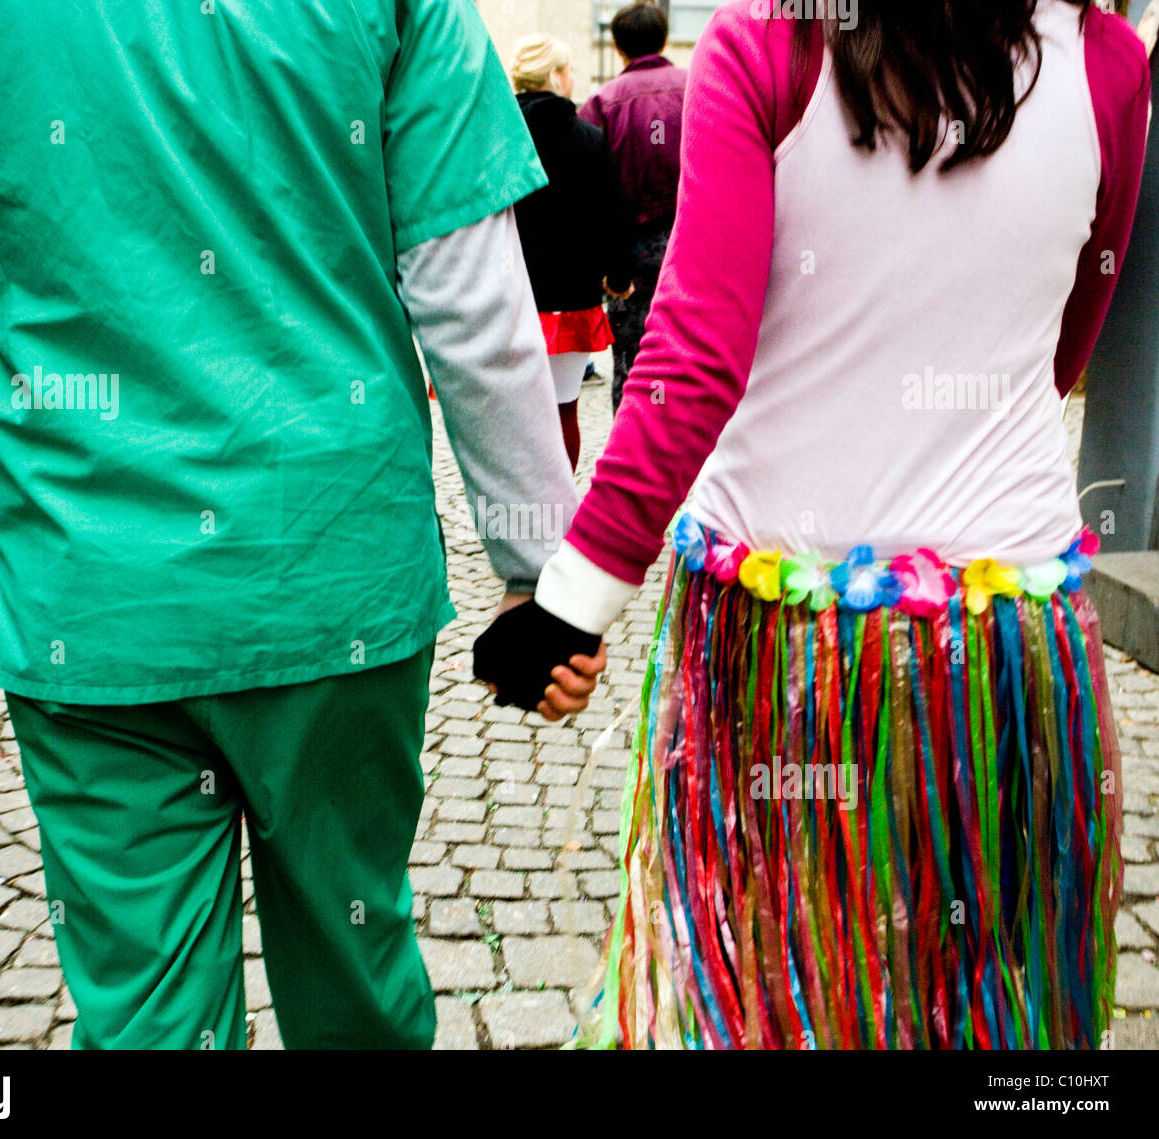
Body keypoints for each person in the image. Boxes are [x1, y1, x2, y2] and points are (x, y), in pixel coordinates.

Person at [0, 1, 605, 1050]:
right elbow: (469, 293)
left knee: (146, 1016)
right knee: (354, 974)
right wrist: (540, 571)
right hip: (333, 562)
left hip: (92, 587)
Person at [474, 0, 1149, 1048]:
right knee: (971, 1006)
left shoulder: (770, 42)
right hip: (1008, 646)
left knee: (763, 993)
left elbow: (696, 355)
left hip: (783, 641)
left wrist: (566, 605)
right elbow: (1062, 347)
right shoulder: (1106, 62)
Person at [509, 34, 635, 471]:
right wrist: (619, 277)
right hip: (572, 300)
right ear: (555, 75)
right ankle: (558, 509)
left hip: (509, 297)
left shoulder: (497, 136)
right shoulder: (588, 139)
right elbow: (613, 216)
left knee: (516, 415)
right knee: (565, 409)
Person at [581, 2, 689, 413]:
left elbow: (593, 190)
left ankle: (630, 454)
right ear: (662, 39)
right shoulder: (694, 84)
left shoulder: (601, 103)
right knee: (690, 354)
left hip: (627, 249)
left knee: (631, 358)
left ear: (619, 46)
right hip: (690, 241)